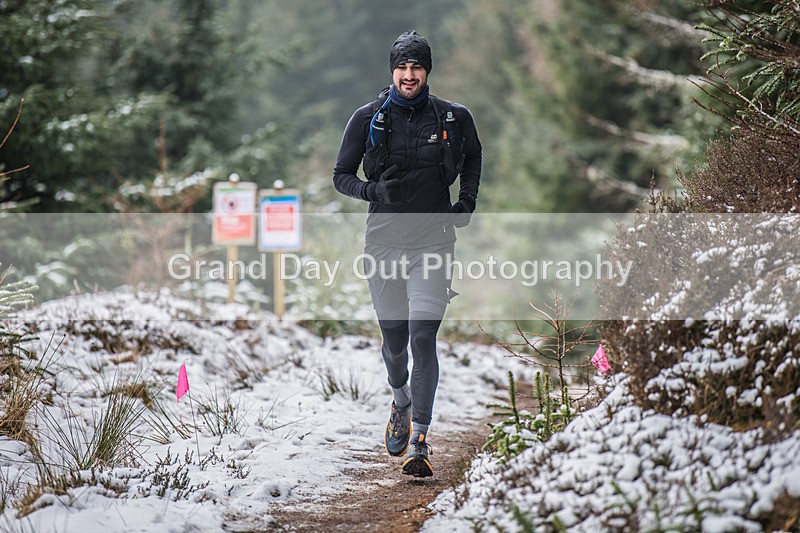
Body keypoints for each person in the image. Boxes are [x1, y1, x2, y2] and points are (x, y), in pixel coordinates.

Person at [332, 30, 482, 477]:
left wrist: (467, 201)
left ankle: (419, 438)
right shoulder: (367, 119)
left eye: (417, 67)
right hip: (382, 244)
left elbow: (473, 157)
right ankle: (400, 402)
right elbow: (341, 175)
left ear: (427, 71)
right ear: (392, 71)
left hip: (434, 243)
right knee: (395, 344)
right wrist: (371, 189)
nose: (409, 75)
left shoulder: (454, 118)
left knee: (422, 337)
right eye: (402, 67)